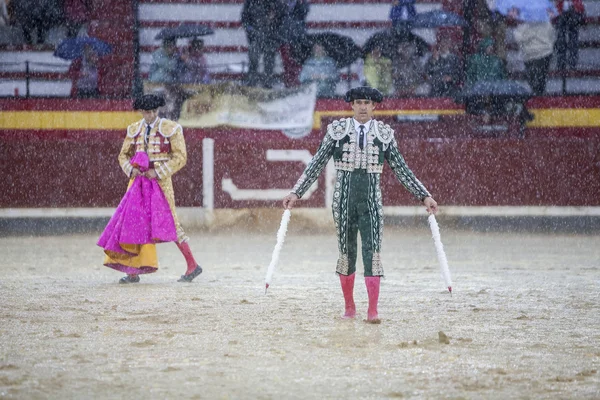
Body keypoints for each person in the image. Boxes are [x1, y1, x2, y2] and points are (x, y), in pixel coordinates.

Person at [282, 86, 438, 323]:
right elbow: (316, 164)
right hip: (343, 202)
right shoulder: (337, 131)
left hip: (371, 203)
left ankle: (373, 310)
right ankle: (349, 306)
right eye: (358, 102)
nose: (363, 106)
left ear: (374, 106)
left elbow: (402, 170)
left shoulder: (384, 134)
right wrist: (297, 192)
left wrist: (424, 195)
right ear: (352, 105)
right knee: (346, 253)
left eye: (367, 102)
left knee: (372, 253)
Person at [101, 94, 203, 284]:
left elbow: (180, 157)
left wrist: (158, 172)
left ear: (158, 110)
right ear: (141, 112)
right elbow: (123, 156)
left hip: (161, 182)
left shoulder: (171, 129)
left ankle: (192, 265)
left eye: (153, 111)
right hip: (139, 182)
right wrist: (131, 170)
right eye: (147, 112)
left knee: (170, 222)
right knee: (133, 222)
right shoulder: (133, 130)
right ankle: (132, 271)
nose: (150, 115)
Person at [241, 0, 285, 87]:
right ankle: (251, 84)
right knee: (253, 60)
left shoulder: (276, 3)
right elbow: (245, 19)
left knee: (269, 63)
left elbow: (282, 19)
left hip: (270, 37)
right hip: (255, 37)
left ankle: (267, 84)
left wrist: (274, 31)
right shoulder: (250, 2)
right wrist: (251, 31)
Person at [555, 0, 585, 72]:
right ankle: (563, 63)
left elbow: (580, 6)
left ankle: (570, 63)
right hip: (563, 12)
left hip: (573, 12)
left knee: (572, 39)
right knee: (561, 39)